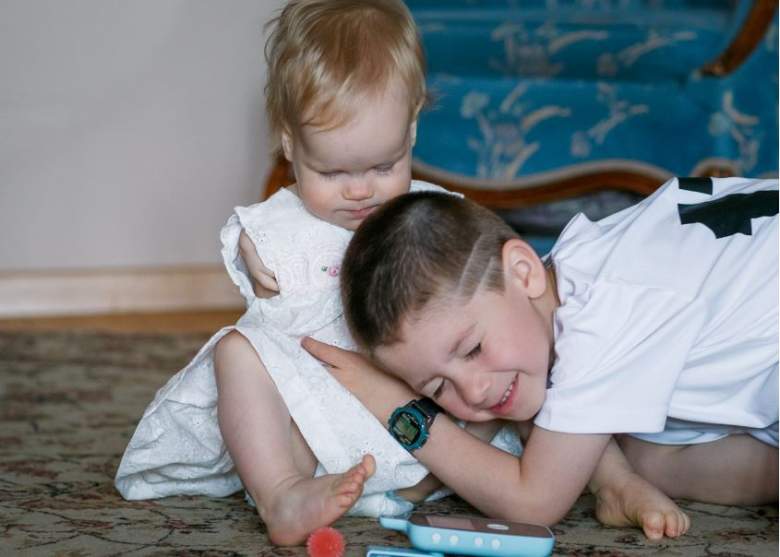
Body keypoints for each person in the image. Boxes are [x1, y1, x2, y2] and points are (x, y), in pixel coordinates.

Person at [115, 0, 525, 547]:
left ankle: (425, 478)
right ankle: (282, 490)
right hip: (313, 396)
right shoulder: (281, 219)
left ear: (411, 132)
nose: (360, 191)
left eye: (384, 167)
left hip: (414, 400)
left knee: (498, 364)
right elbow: (248, 242)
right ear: (290, 145)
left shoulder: (430, 215)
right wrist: (250, 252)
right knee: (236, 351)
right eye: (332, 172)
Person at [303, 176, 778, 536]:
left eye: (472, 349)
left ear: (524, 270)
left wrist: (398, 407)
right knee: (642, 455)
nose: (473, 391)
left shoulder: (601, 317)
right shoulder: (566, 274)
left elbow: (534, 502)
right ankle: (616, 483)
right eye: (436, 389)